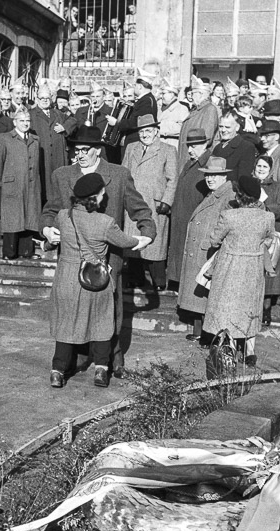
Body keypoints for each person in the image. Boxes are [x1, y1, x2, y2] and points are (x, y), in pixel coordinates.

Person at [40, 125, 155, 377]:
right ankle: (76, 358)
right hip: (73, 259)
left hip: (109, 257)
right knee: (73, 308)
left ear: (98, 151)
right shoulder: (62, 175)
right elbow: (50, 210)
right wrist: (47, 230)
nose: (78, 155)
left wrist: (147, 232)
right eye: (75, 150)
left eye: (84, 150)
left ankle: (112, 359)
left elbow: (139, 209)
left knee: (109, 310)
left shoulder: (119, 174)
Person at [49, 172, 144, 389]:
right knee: (101, 321)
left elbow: (54, 236)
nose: (103, 198)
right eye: (102, 194)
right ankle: (101, 370)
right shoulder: (105, 222)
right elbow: (127, 242)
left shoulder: (64, 216)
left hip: (66, 278)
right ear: (95, 197)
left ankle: (57, 371)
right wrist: (144, 239)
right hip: (94, 279)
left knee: (66, 323)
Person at [202, 175, 275, 367]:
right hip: (254, 267)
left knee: (228, 307)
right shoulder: (268, 217)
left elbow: (214, 240)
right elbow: (269, 239)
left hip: (230, 267)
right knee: (250, 306)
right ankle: (250, 351)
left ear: (240, 195)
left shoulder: (229, 216)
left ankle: (230, 349)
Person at [177, 157, 235, 344]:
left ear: (224, 176)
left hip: (210, 251)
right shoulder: (214, 194)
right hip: (203, 250)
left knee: (207, 294)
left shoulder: (228, 196)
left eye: (215, 175)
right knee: (200, 294)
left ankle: (209, 335)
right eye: (208, 175)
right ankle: (201, 331)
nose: (210, 178)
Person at [122, 115, 177, 290]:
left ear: (156, 132)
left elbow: (173, 179)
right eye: (141, 131)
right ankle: (135, 279)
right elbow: (123, 173)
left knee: (155, 243)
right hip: (133, 202)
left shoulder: (167, 150)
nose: (144, 134)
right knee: (133, 241)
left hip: (155, 204)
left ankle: (158, 281)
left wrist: (167, 202)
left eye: (148, 131)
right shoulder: (131, 148)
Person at [0, 107, 42, 260]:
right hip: (12, 185)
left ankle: (26, 251)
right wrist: (3, 182)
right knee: (13, 218)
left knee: (29, 216)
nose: (25, 123)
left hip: (31, 185)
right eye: (22, 121)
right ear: (15, 122)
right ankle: (9, 252)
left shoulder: (35, 139)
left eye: (27, 121)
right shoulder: (5, 138)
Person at [167, 128, 208, 286]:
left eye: (194, 146)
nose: (190, 150)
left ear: (205, 144)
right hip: (181, 215)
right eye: (188, 146)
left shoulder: (208, 163)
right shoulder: (189, 163)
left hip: (193, 218)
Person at [253, 154, 280, 325]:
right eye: (258, 166)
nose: (261, 169)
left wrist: (265, 205)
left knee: (270, 272)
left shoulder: (279, 187)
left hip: (271, 235)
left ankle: (266, 310)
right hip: (252, 233)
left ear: (271, 169)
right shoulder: (248, 184)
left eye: (264, 167)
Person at [29, 84, 69, 203]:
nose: (45, 101)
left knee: (56, 183)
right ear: (37, 99)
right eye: (42, 98)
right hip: (41, 154)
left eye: (47, 98)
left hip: (57, 155)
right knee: (42, 184)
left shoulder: (56, 113)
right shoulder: (31, 114)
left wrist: (64, 127)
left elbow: (73, 120)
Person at [201, 111, 257, 182]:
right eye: (221, 126)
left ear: (237, 127)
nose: (223, 130)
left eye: (227, 127)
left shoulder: (246, 147)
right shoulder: (218, 147)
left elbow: (243, 179)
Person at [177, 79, 220, 170]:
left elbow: (206, 138)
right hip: (188, 158)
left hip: (195, 160)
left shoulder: (209, 109)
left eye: (193, 93)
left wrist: (194, 152)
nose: (191, 97)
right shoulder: (198, 109)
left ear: (200, 94)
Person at [158, 81, 189, 151]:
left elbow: (182, 128)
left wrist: (162, 127)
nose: (161, 96)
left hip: (172, 146)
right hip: (159, 146)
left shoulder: (182, 109)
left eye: (163, 93)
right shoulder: (160, 108)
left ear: (172, 94)